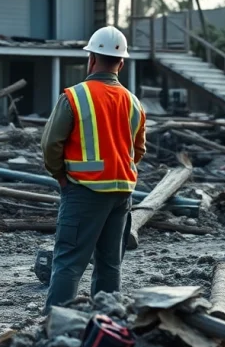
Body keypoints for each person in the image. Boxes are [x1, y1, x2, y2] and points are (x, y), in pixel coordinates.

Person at [40, 26, 147, 311]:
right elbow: (138, 150)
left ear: (91, 59)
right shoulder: (134, 103)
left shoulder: (75, 97)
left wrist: (61, 177)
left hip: (84, 191)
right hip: (122, 195)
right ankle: (107, 323)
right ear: (121, 63)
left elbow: (51, 144)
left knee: (69, 263)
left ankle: (56, 326)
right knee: (110, 266)